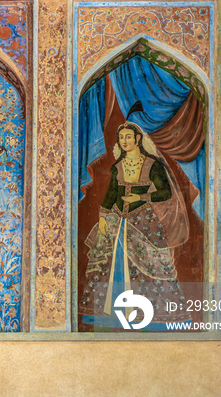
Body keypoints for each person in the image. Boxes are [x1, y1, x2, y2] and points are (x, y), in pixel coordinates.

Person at [80, 122, 191, 327]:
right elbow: (112, 194)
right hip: (117, 220)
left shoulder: (152, 164)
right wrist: (103, 218)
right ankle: (114, 315)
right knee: (109, 265)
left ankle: (149, 316)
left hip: (143, 222)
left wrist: (141, 196)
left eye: (128, 137)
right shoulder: (117, 166)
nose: (124, 141)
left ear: (137, 139)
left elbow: (165, 192)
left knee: (149, 266)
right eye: (121, 138)